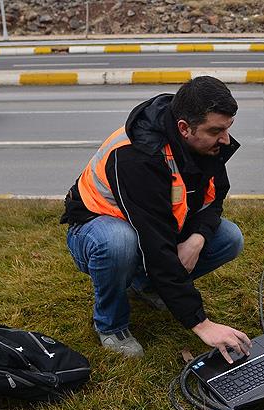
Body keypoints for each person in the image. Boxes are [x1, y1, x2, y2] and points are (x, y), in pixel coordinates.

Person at [60, 76, 252, 362]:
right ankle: (112, 325)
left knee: (228, 238)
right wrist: (200, 323)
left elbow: (214, 200)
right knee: (119, 242)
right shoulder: (137, 157)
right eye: (216, 131)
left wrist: (197, 238)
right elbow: (155, 244)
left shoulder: (206, 143)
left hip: (150, 225)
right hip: (93, 229)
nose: (225, 139)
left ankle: (145, 285)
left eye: (227, 128)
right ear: (184, 129)